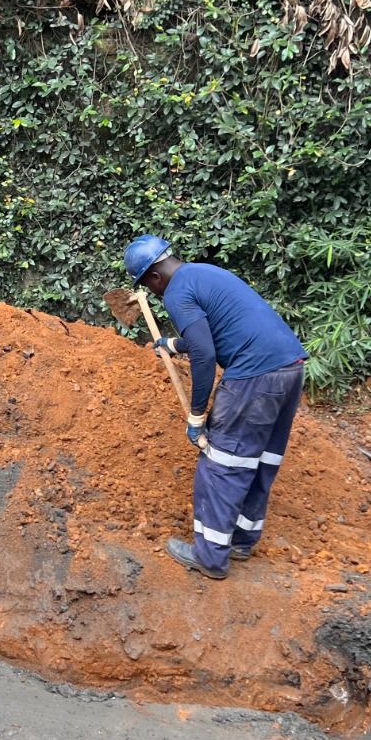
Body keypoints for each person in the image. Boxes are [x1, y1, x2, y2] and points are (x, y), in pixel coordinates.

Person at [124, 234, 308, 580]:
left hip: (254, 376)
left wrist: (197, 416)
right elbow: (217, 331)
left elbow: (206, 355)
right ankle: (240, 541)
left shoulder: (177, 291)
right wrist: (174, 343)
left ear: (154, 278)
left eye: (151, 287)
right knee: (260, 459)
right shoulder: (203, 273)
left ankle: (210, 556)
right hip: (289, 368)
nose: (157, 295)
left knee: (221, 463)